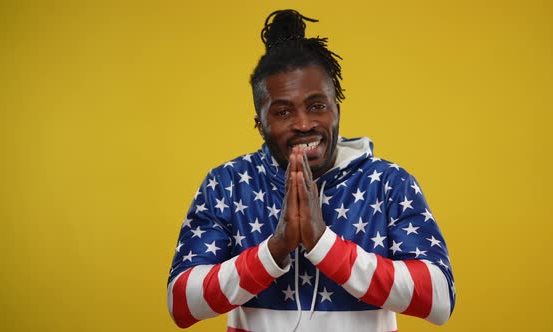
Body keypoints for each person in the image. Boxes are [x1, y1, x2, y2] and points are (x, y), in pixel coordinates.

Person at [167, 9, 455, 332]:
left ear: (337, 108)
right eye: (283, 111)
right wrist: (275, 248)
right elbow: (181, 304)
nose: (304, 124)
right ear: (260, 123)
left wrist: (323, 244)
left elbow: (440, 299)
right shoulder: (227, 184)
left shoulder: (390, 183)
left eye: (317, 106)